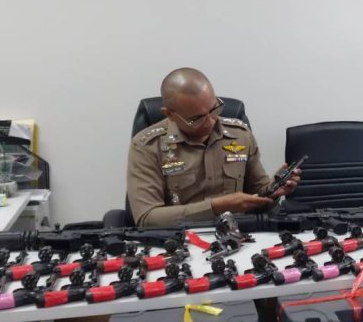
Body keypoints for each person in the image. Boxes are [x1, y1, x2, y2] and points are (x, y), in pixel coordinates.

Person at [127, 68, 300, 227]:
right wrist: (216, 207)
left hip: (239, 235)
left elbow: (258, 195)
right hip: (180, 240)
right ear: (170, 114)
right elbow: (147, 218)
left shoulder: (240, 135)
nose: (210, 121)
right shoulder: (147, 146)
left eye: (214, 109)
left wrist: (273, 191)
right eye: (196, 118)